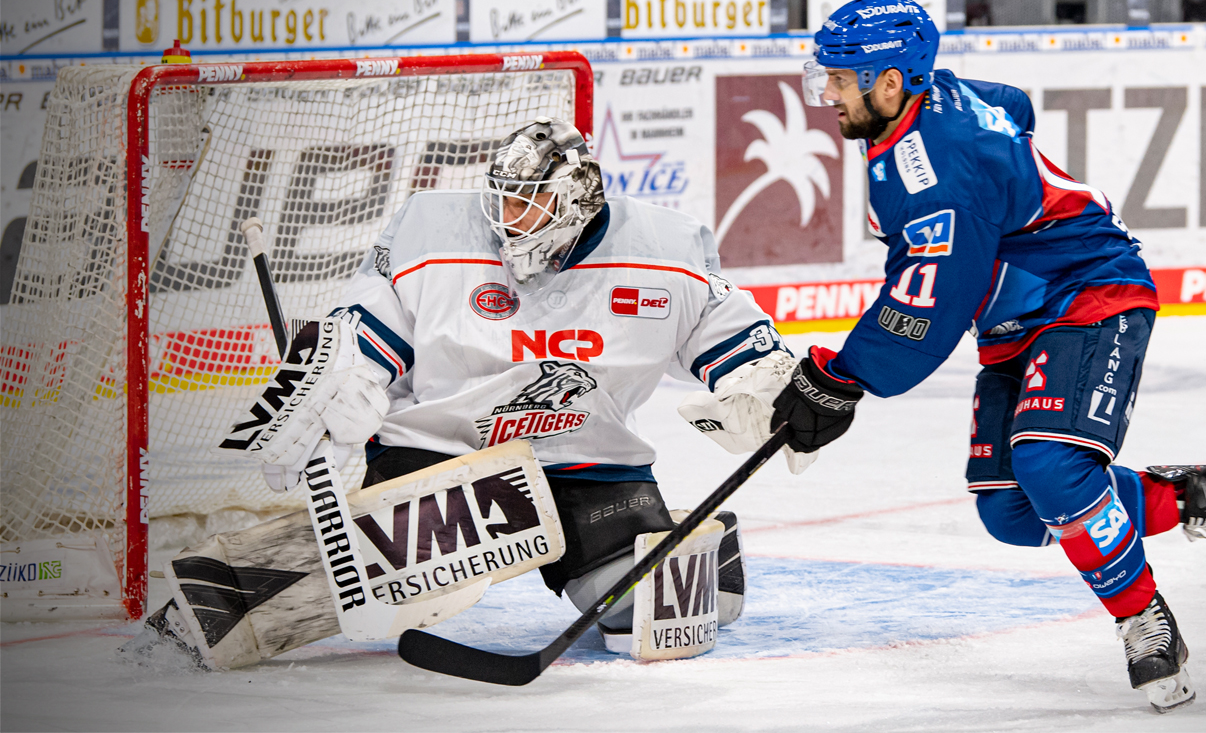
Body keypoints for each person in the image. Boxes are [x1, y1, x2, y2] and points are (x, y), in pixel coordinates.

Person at [753, 0, 1206, 712]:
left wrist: (841, 378)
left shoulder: (936, 165)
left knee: (1050, 466)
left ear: (889, 83)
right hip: (1017, 318)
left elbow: (929, 304)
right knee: (1011, 509)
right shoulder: (927, 101)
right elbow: (1012, 102)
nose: (827, 94)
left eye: (839, 79)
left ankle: (1142, 619)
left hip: (1087, 291)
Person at [232, 116, 801, 655]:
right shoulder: (431, 231)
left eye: (530, 204)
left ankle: (707, 544)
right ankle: (244, 589)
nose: (510, 219)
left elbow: (737, 340)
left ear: (578, 199)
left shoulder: (664, 251)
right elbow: (365, 328)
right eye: (504, 199)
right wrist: (343, 381)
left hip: (587, 466)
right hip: (443, 460)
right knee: (376, 586)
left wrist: (769, 387)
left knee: (646, 614)